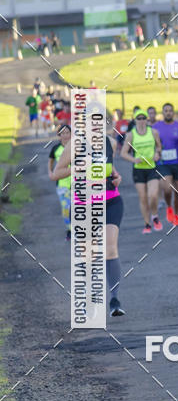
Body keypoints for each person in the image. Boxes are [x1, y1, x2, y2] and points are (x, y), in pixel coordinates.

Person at [50, 129, 126, 316]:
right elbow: (56, 174)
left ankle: (114, 300)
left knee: (110, 248)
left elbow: (111, 169)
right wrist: (77, 168)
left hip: (110, 201)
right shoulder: (73, 145)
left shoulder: (111, 143)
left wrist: (117, 177)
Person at [121, 109, 163, 233]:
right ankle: (147, 224)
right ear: (134, 120)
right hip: (139, 170)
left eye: (143, 118)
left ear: (147, 119)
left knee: (153, 195)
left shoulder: (153, 132)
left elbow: (159, 147)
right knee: (143, 198)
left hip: (152, 168)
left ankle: (154, 216)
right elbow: (123, 153)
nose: (141, 121)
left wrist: (157, 154)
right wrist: (134, 159)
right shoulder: (131, 135)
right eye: (138, 118)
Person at [154, 102, 178, 226]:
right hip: (163, 163)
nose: (168, 113)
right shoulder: (156, 127)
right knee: (167, 188)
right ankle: (169, 207)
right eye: (165, 110)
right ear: (163, 113)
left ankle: (176, 215)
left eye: (170, 110)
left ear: (173, 112)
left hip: (177, 162)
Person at [48, 124, 72, 239]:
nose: (66, 135)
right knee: (66, 208)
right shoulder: (56, 149)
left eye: (68, 132)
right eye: (63, 133)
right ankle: (70, 229)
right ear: (59, 135)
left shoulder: (77, 147)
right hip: (62, 184)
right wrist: (50, 172)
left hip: (77, 183)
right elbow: (50, 160)